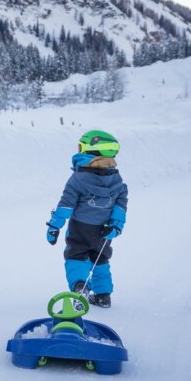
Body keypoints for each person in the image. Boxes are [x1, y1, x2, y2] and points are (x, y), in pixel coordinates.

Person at [45, 130, 129, 308]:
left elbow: (66, 205)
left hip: (80, 228)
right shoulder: (117, 179)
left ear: (91, 151)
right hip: (104, 230)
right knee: (100, 259)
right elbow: (121, 205)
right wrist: (115, 226)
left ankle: (79, 287)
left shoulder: (78, 178)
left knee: (76, 256)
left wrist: (54, 226)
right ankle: (103, 295)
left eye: (81, 147)